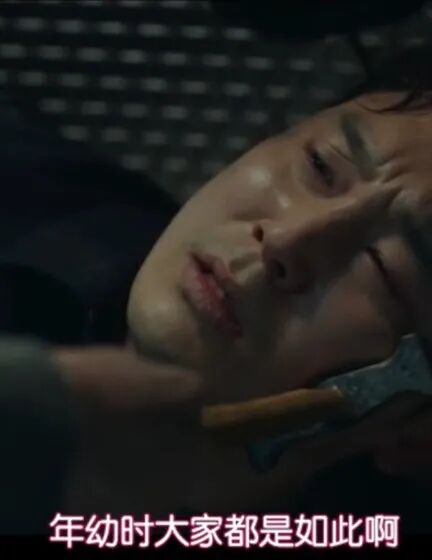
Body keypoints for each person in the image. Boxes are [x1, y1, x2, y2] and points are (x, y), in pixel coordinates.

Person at [1, 45, 432, 534]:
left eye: (384, 270)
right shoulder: (26, 191)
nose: (285, 239)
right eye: (322, 166)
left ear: (418, 432)